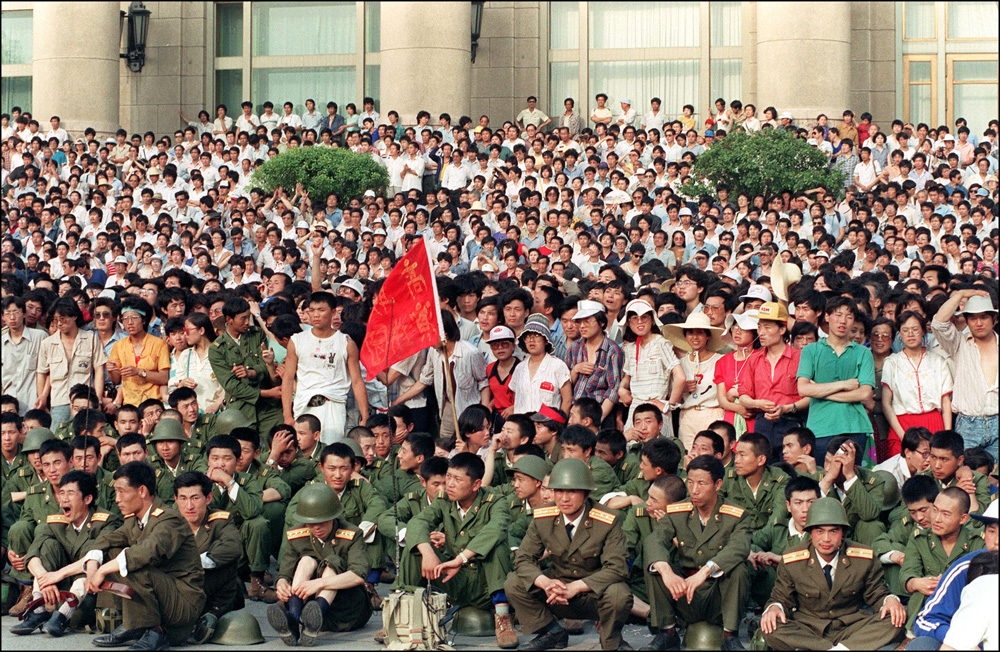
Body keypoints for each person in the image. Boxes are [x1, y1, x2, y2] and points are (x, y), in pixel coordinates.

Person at [504, 458, 633, 651]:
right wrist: (545, 583)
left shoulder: (607, 520)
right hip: (555, 590)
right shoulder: (544, 517)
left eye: (572, 491)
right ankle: (551, 633)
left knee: (619, 594)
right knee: (514, 583)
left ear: (587, 493)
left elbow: (617, 568)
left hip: (592, 593)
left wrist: (577, 586)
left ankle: (612, 642)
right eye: (559, 491)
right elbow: (523, 559)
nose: (564, 498)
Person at [397, 453, 517, 648]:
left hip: (486, 585)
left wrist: (460, 559)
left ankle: (503, 620)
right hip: (454, 580)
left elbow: (495, 529)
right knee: (415, 549)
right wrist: (428, 553)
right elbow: (418, 522)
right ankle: (404, 616)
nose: (449, 484)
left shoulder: (495, 502)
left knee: (497, 545)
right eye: (449, 477)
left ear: (476, 484)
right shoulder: (444, 501)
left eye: (457, 479)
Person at [84, 461, 205, 651]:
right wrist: (93, 567)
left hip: (182, 603)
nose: (117, 499)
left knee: (133, 563)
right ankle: (133, 624)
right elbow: (107, 540)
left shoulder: (170, 519)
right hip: (161, 597)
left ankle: (155, 632)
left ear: (142, 491)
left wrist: (103, 570)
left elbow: (147, 552)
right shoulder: (135, 520)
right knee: (112, 552)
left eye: (122, 492)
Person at [759, 497, 906, 650]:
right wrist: (775, 607)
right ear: (810, 532)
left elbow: (877, 593)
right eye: (819, 531)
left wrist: (889, 600)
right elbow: (780, 597)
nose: (826, 539)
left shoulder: (863, 558)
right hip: (808, 629)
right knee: (770, 627)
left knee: (895, 619)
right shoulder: (793, 560)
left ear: (843, 533)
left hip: (852, 627)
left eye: (833, 531)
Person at [643, 455, 752, 651]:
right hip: (684, 592)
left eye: (702, 483)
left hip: (717, 595)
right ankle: (667, 633)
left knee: (739, 569)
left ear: (718, 484)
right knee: (655, 565)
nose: (694, 490)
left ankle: (729, 635)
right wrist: (666, 571)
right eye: (690, 482)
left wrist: (706, 571)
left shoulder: (736, 515)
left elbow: (739, 547)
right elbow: (654, 540)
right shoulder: (677, 512)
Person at [12, 470, 121, 637]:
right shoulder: (55, 521)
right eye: (62, 493)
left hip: (88, 594)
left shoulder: (106, 521)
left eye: (70, 493)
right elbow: (33, 555)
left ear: (87, 499)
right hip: (59, 591)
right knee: (48, 545)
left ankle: (63, 616)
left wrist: (58, 575)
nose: (64, 499)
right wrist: (45, 579)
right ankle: (39, 611)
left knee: (92, 549)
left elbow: (94, 556)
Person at [267, 483, 372, 646]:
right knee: (306, 561)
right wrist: (281, 585)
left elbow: (359, 575)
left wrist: (319, 583)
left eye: (322, 522)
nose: (316, 528)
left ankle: (317, 610)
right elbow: (284, 573)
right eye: (311, 523)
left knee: (333, 562)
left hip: (346, 611)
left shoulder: (352, 534)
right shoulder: (296, 535)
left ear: (333, 517)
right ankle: (294, 619)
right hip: (306, 606)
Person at [796, 296, 876, 461]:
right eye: (838, 315)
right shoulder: (810, 350)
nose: (843, 321)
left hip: (855, 425)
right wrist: (844, 384)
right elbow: (803, 389)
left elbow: (864, 393)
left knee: (852, 474)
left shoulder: (863, 352)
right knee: (823, 474)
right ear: (827, 316)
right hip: (821, 427)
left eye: (849, 317)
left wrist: (819, 391)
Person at [282, 292, 368, 444]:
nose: (316, 315)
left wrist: (365, 415)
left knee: (332, 449)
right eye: (312, 310)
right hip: (304, 404)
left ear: (333, 312)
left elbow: (357, 381)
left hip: (333, 405)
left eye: (321, 310)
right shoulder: (297, 341)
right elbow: (288, 378)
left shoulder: (346, 343)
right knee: (303, 449)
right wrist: (287, 415)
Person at [899, 487, 985, 631]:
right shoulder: (920, 539)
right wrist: (916, 583)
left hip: (964, 612)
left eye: (946, 514)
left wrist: (949, 584)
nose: (937, 519)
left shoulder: (977, 542)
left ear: (963, 519)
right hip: (928, 613)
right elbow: (905, 575)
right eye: (935, 510)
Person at [172, 470, 244, 639]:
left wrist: (194, 562)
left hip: (212, 592)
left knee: (221, 559)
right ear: (176, 499)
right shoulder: (170, 523)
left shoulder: (220, 521)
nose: (189, 506)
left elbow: (233, 547)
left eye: (195, 498)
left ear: (208, 498)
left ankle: (211, 615)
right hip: (179, 592)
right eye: (183, 498)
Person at [931, 290, 998, 457]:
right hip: (969, 424)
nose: (979, 323)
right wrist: (960, 294)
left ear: (994, 319)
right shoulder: (959, 343)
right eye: (973, 318)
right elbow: (938, 323)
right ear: (967, 321)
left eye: (984, 317)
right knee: (966, 470)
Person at [738, 302, 808, 460]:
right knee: (763, 466)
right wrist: (758, 403)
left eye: (767, 327)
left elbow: (811, 396)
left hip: (792, 422)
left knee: (791, 467)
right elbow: (743, 396)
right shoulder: (754, 359)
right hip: (763, 422)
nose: (761, 333)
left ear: (782, 330)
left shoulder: (799, 358)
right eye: (759, 327)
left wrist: (787, 408)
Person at [882, 311, 953, 456]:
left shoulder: (938, 361)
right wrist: (903, 436)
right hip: (902, 424)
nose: (910, 334)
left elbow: (946, 402)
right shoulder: (892, 362)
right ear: (899, 334)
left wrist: (946, 435)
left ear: (923, 331)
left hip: (933, 422)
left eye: (915, 329)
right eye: (905, 330)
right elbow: (886, 404)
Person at [209, 297, 283, 436]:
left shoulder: (256, 334)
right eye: (242, 318)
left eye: (248, 317)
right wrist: (265, 393)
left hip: (269, 407)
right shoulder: (217, 349)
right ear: (229, 319)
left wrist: (252, 372)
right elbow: (231, 385)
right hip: (241, 409)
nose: (247, 322)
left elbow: (266, 364)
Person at [619, 298, 684, 436]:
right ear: (628, 322)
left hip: (656, 410)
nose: (640, 322)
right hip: (635, 410)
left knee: (659, 447)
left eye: (644, 317)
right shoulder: (630, 348)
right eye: (634, 318)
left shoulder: (661, 343)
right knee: (633, 445)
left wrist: (669, 404)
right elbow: (627, 377)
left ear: (652, 320)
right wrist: (621, 390)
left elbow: (680, 377)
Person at [662, 312, 726, 450]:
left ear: (708, 336)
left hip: (713, 413)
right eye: (690, 332)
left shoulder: (720, 360)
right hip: (687, 416)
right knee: (688, 455)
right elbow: (671, 397)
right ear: (685, 336)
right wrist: (681, 389)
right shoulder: (680, 363)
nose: (694, 337)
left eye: (699, 333)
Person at [509, 314, 573, 415]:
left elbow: (567, 401)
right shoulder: (519, 368)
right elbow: (516, 398)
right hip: (521, 423)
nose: (531, 339)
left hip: (547, 423)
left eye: (537, 335)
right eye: (528, 336)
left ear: (546, 340)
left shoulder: (558, 365)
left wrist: (558, 421)